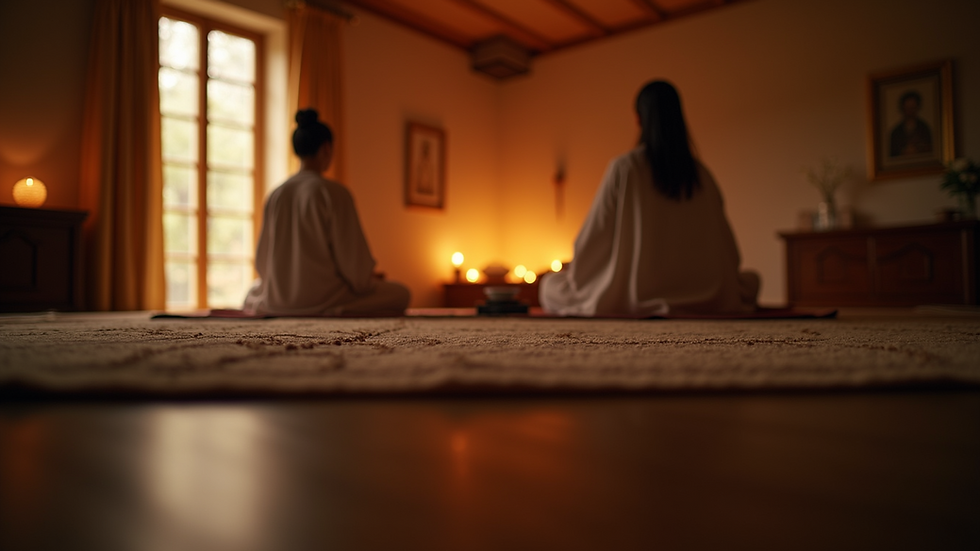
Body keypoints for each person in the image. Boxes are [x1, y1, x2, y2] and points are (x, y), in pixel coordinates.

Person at [539, 80, 759, 317]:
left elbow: (591, 241)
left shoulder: (625, 168)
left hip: (634, 295)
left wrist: (581, 274)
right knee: (752, 281)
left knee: (549, 285)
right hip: (708, 294)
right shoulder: (702, 174)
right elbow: (729, 251)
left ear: (638, 119)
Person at [243, 109, 410, 316]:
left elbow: (263, 262)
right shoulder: (333, 192)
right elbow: (355, 268)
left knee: (252, 291)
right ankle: (334, 310)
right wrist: (368, 280)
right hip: (325, 299)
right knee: (401, 293)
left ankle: (289, 306)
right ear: (326, 148)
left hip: (280, 301)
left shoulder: (276, 194)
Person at [889, 90, 932, 158]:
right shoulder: (896, 132)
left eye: (912, 107)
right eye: (907, 108)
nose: (910, 111)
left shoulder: (924, 128)